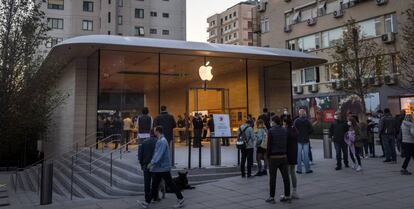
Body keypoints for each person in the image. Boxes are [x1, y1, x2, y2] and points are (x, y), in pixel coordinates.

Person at [138, 126, 184, 209]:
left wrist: (151, 163)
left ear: (158, 131)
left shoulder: (162, 141)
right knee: (155, 185)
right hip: (160, 168)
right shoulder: (161, 140)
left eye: (155, 130)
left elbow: (158, 154)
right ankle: (146, 203)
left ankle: (180, 198)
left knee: (170, 184)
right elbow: (158, 154)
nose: (154, 132)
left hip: (162, 167)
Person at [265, 116, 291, 204]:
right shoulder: (284, 130)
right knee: (286, 177)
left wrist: (267, 155)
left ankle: (272, 197)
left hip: (273, 157)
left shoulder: (271, 131)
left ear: (273, 122)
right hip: (283, 156)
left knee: (273, 178)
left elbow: (269, 145)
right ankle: (287, 196)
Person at [138, 128, 157, 203]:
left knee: (147, 182)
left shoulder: (144, 142)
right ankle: (155, 197)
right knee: (155, 182)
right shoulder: (157, 142)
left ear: (149, 133)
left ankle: (147, 197)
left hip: (146, 164)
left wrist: (141, 164)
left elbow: (140, 155)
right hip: (154, 165)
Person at [284, 117, 299, 199]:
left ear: (285, 123)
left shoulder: (286, 131)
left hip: (287, 154)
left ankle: (287, 193)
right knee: (293, 172)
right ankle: (294, 191)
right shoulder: (294, 130)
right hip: (294, 153)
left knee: (287, 174)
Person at [294, 109, 313, 174]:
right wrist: (307, 133)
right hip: (305, 139)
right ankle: (307, 169)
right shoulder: (307, 121)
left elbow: (294, 129)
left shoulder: (296, 121)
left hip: (298, 140)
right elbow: (311, 129)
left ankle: (299, 170)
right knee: (306, 155)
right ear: (304, 114)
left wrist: (297, 135)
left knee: (299, 155)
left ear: (299, 114)